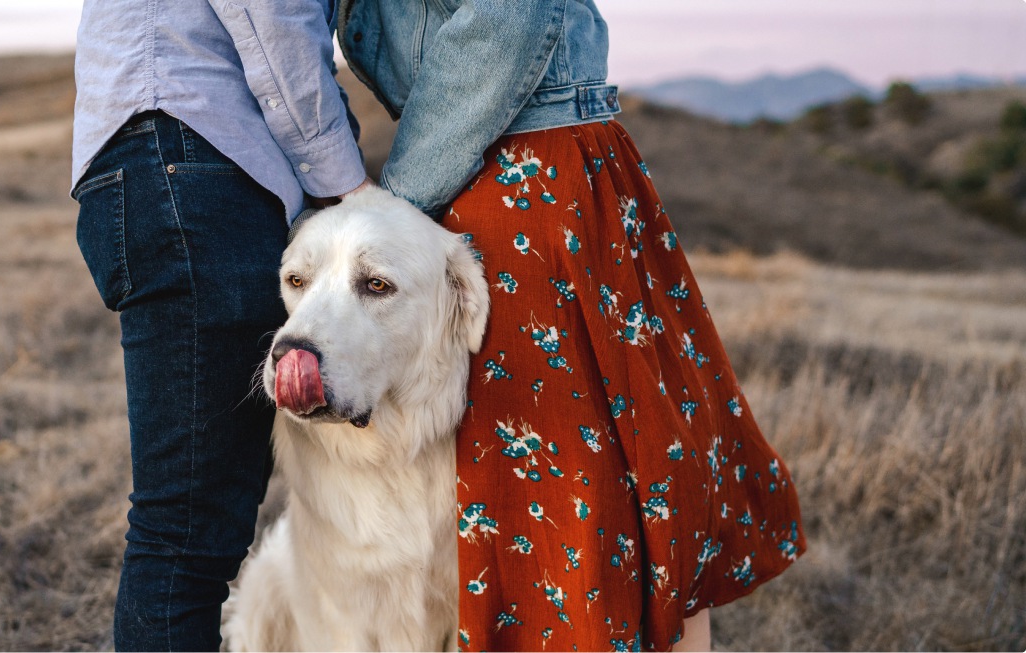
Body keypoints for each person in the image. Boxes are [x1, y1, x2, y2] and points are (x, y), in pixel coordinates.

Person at [337, 0, 807, 650]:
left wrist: (397, 209)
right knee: (613, 484)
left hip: (528, 188)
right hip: (516, 174)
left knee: (579, 498)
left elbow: (508, 18)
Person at [69, 2, 370, 649]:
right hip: (193, 162)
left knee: (198, 523)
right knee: (186, 535)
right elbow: (276, 20)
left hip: (167, 163)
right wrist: (350, 193)